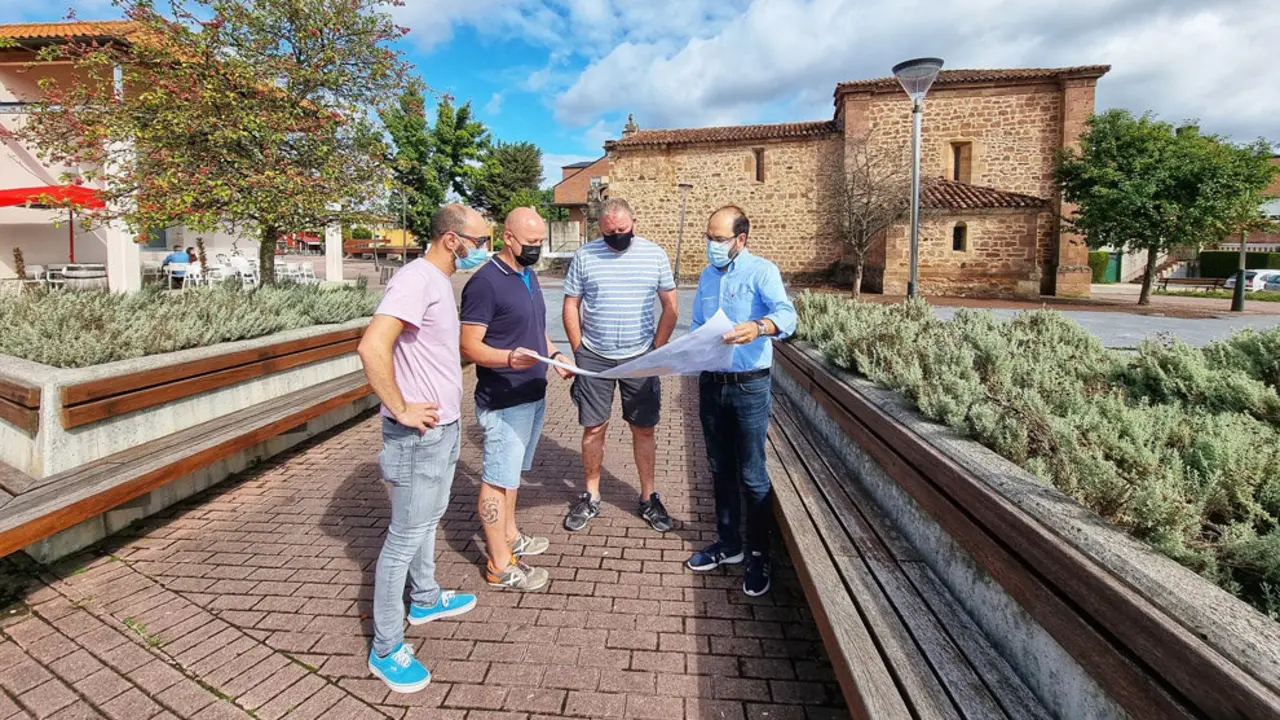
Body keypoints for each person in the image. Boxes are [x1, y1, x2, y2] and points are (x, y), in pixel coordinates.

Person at [356, 203, 489, 693]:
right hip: (418, 435)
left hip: (443, 427)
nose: (485, 249)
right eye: (480, 241)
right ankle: (386, 646)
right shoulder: (415, 280)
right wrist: (400, 407)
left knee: (428, 520)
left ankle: (426, 598)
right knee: (404, 537)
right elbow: (372, 346)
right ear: (453, 239)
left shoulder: (438, 281)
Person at [460, 207, 574, 591]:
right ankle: (499, 564)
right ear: (507, 238)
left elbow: (535, 330)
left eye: (541, 241)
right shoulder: (485, 283)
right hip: (503, 400)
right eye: (530, 242)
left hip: (532, 393)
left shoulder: (528, 274)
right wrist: (509, 358)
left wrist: (555, 356)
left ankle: (510, 536)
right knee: (496, 479)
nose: (537, 248)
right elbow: (469, 346)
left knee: (510, 477)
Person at [685, 206, 796, 597]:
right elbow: (698, 324)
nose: (711, 245)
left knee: (752, 472)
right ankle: (729, 544)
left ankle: (759, 554)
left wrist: (760, 326)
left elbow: (788, 316)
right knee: (719, 468)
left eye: (719, 239)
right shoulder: (706, 275)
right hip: (711, 383)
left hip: (749, 386)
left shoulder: (762, 271)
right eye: (709, 237)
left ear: (740, 239)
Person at [562, 197, 678, 533]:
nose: (616, 237)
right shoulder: (585, 256)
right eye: (609, 232)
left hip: (640, 355)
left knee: (644, 428)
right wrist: (578, 349)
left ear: (634, 223)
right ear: (599, 228)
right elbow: (570, 305)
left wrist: (656, 349)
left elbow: (671, 306)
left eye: (622, 230)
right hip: (594, 355)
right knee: (594, 427)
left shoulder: (654, 255)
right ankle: (591, 494)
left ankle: (648, 496)